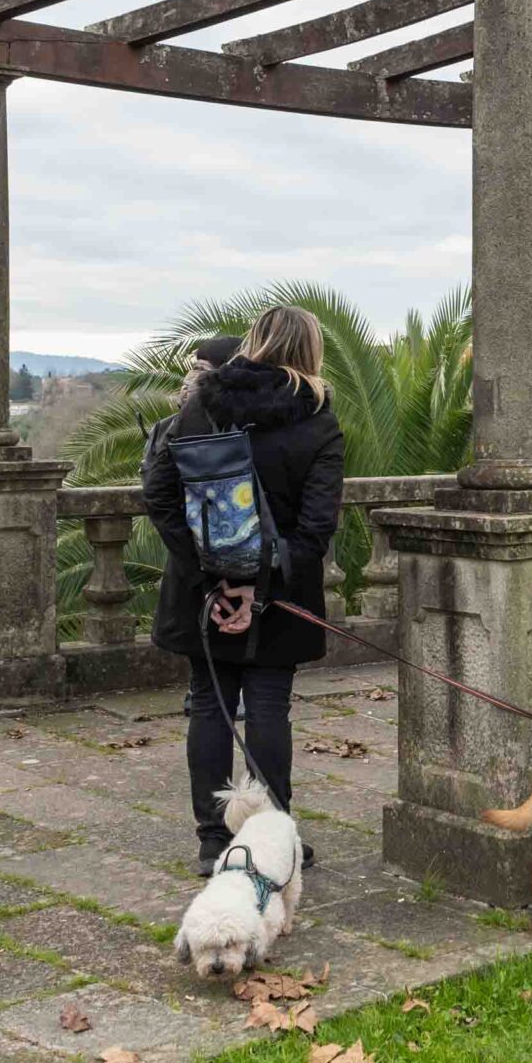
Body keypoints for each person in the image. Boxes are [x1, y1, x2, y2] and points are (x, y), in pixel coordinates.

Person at [143, 306, 346, 870]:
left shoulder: (202, 402)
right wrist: (257, 589)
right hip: (279, 591)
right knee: (268, 709)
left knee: (210, 708)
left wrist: (212, 577)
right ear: (311, 352)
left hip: (201, 591)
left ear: (253, 341)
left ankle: (213, 841)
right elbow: (316, 527)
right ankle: (272, 838)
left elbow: (159, 495)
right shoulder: (318, 419)